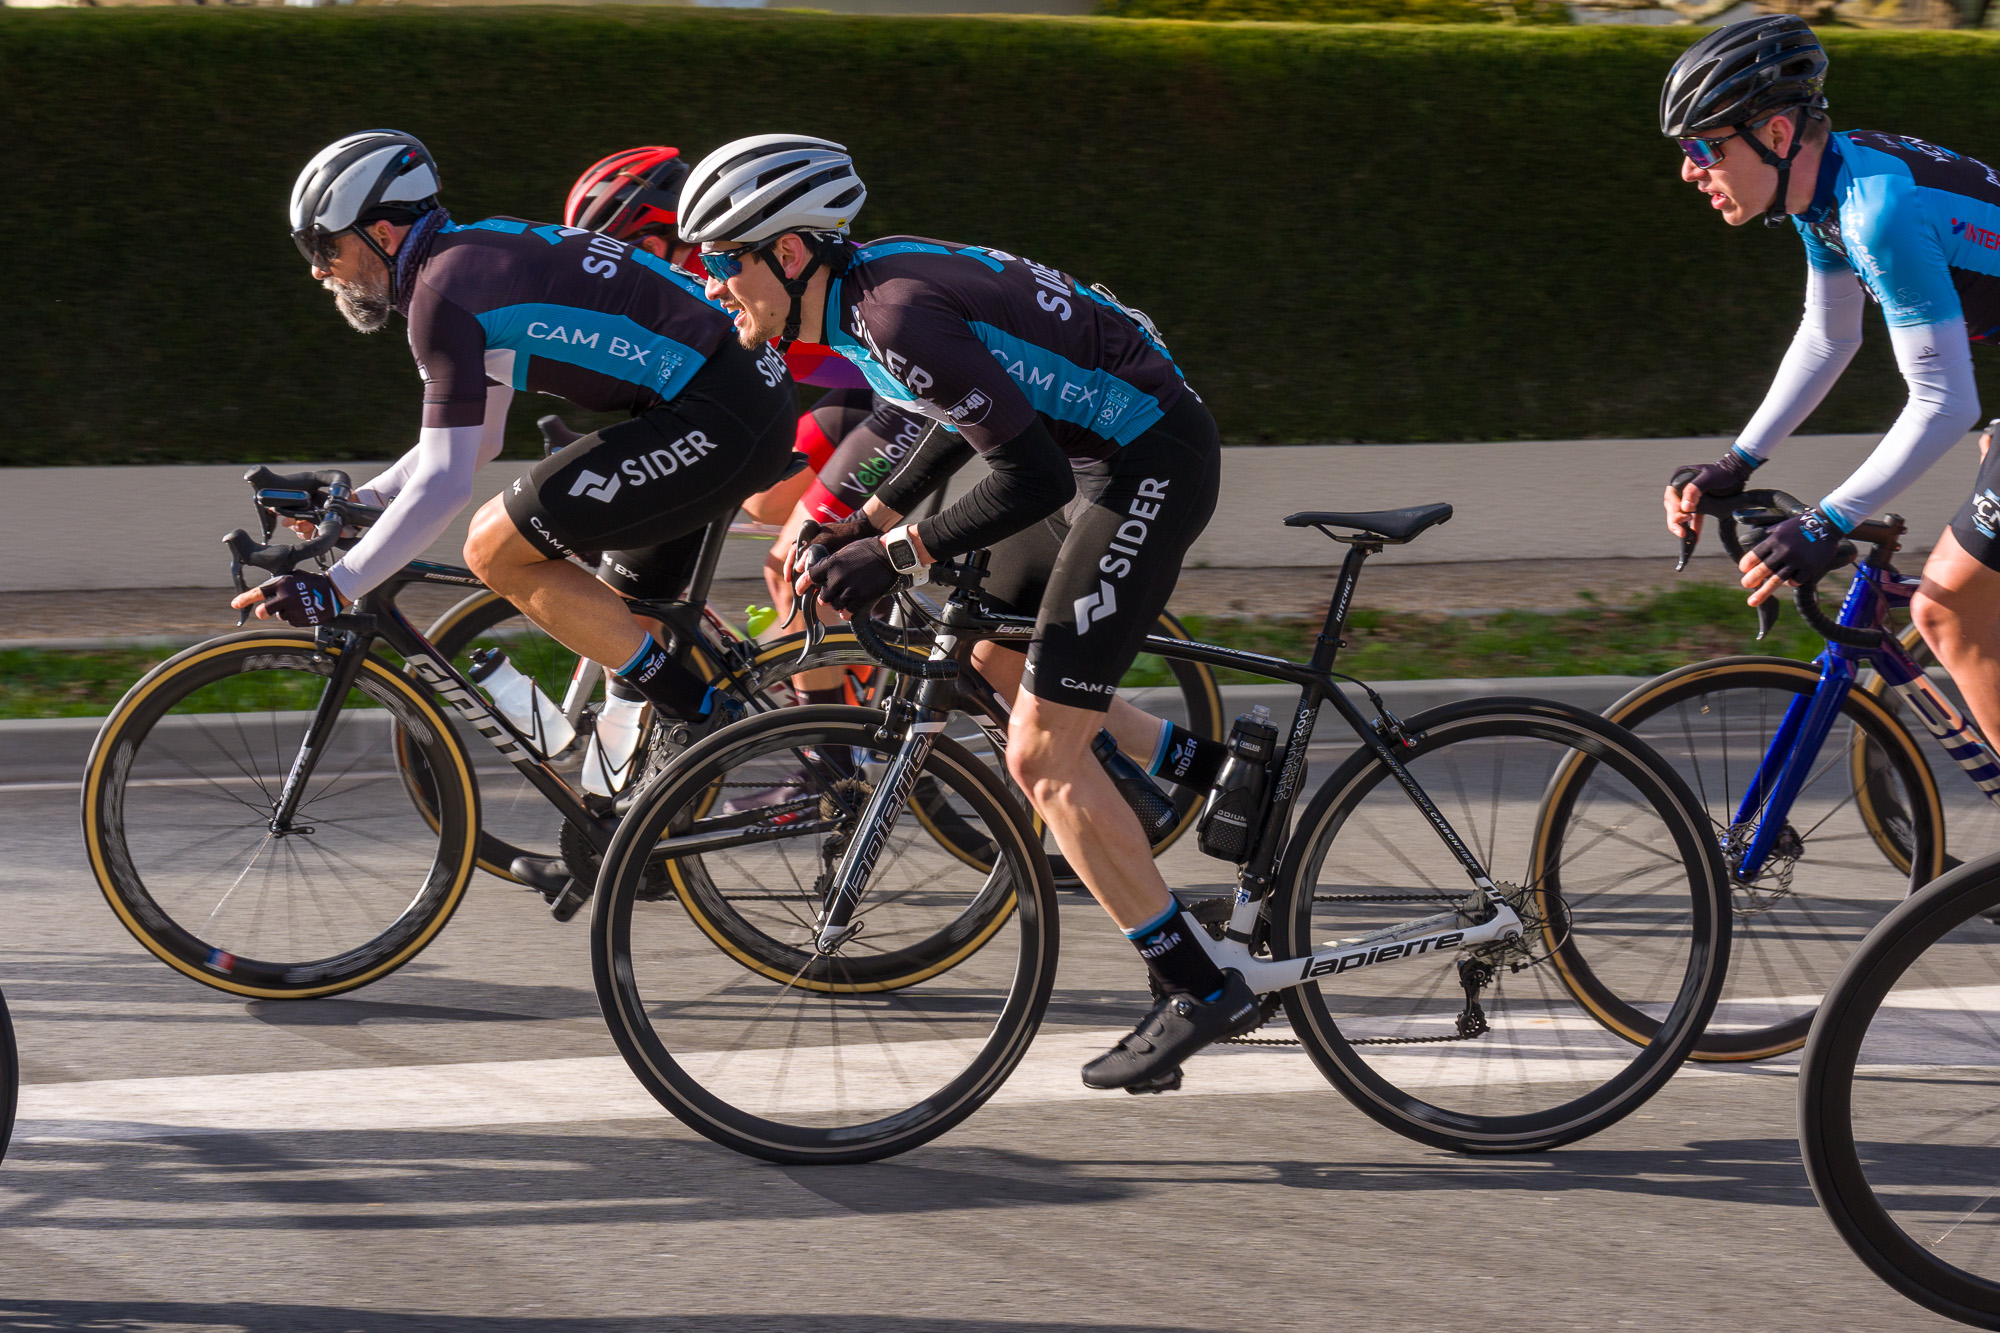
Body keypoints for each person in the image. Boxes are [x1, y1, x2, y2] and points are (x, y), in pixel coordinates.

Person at [680, 133, 1262, 1092]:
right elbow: (953, 423)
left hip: (1149, 463)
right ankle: (1229, 769)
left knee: (1041, 753)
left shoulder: (891, 310)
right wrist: (860, 521)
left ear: (789, 253)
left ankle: (1198, 983)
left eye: (719, 260)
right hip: (1099, 461)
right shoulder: (869, 298)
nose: (710, 284)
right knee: (999, 659)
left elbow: (1027, 477)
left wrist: (896, 550)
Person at [251, 129, 797, 903]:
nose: (317, 269)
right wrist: (360, 503)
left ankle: (700, 711)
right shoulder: (468, 259)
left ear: (379, 230)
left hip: (719, 416)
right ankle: (641, 828)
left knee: (495, 549)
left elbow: (446, 484)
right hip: (729, 405)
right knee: (616, 618)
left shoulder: (441, 297)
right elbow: (472, 447)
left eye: (322, 245)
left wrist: (337, 586)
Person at [1660, 17, 2000, 749]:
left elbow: (1946, 402)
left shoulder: (1878, 213)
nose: (1690, 169)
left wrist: (1826, 522)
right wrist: (1739, 461)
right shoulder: (1828, 193)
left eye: (1703, 145)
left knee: (1948, 608)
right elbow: (1829, 336)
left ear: (1777, 137)